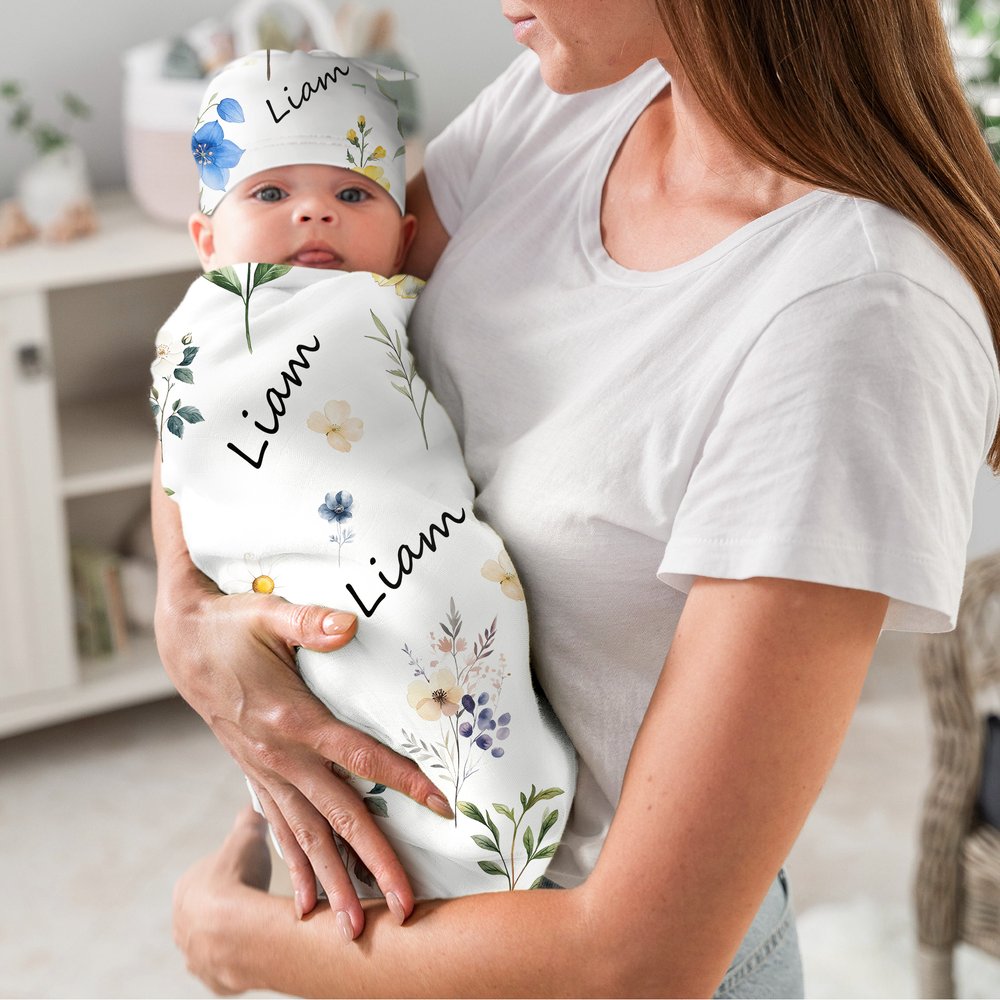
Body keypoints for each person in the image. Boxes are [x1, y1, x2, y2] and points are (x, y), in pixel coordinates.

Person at [160, 0, 1000, 996]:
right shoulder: (571, 105)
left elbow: (638, 959)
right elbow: (262, 330)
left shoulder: (856, 318)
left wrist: (228, 937)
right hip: (379, 924)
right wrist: (188, 617)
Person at [152, 47, 576, 906]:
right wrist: (184, 604)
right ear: (207, 242)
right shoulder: (211, 325)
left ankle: (477, 829)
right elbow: (189, 431)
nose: (315, 211)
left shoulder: (391, 297)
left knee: (445, 624)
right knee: (333, 717)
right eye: (269, 194)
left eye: (353, 195)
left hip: (421, 555)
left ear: (404, 240)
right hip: (293, 596)